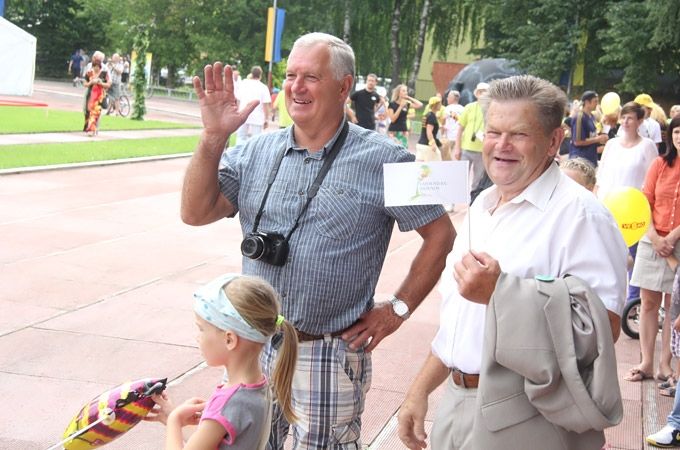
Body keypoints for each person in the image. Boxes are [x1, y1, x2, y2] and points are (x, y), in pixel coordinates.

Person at [181, 32, 455, 449]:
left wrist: (397, 309)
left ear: (344, 87)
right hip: (255, 349)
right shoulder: (255, 151)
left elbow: (441, 235)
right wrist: (213, 137)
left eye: (311, 76)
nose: (296, 86)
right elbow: (195, 213)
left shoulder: (387, 159)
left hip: (327, 354)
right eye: (291, 75)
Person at [397, 75, 628, 450]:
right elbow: (462, 325)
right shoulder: (482, 206)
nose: (501, 146)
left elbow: (604, 329)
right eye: (493, 132)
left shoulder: (581, 216)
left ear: (553, 140)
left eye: (518, 134)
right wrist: (419, 390)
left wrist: (501, 293)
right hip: (455, 401)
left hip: (530, 414)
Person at [145, 274, 298, 450]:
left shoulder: (228, 403)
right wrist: (173, 416)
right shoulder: (258, 388)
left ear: (229, 340)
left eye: (201, 329)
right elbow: (212, 443)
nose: (197, 337)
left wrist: (174, 422)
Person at [626, 116, 680, 384]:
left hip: (677, 242)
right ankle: (646, 362)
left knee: (673, 306)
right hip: (652, 239)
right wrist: (655, 237)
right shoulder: (659, 164)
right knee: (648, 303)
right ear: (671, 136)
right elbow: (644, 201)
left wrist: (672, 236)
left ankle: (665, 364)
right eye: (677, 132)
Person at [454, 82, 489, 193]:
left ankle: (472, 205)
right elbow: (460, 128)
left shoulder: (491, 109)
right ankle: (453, 203)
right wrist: (457, 148)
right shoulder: (469, 107)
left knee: (477, 181)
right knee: (459, 179)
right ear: (477, 93)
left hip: (482, 151)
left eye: (485, 92)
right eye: (480, 92)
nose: (482, 94)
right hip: (466, 149)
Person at [568, 90, 608, 166]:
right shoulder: (579, 117)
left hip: (591, 158)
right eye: (595, 101)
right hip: (580, 159)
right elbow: (577, 141)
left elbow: (591, 135)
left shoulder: (592, 117)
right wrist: (598, 139)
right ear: (587, 102)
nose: (597, 104)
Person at [235, 66, 271, 143]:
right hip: (257, 117)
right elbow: (265, 105)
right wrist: (266, 119)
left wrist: (237, 112)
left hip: (242, 114)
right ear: (260, 75)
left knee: (241, 137)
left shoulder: (243, 84)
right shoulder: (263, 87)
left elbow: (238, 100)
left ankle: (239, 154)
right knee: (256, 140)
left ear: (251, 74)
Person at [82, 51, 111, 137]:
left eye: (97, 59)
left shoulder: (105, 69)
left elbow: (109, 83)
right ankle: (88, 127)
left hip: (99, 94)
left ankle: (94, 129)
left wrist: (100, 83)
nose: (95, 60)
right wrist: (91, 82)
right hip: (89, 91)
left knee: (96, 111)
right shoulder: (89, 67)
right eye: (94, 58)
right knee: (86, 109)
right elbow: (85, 81)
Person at [415, 96, 443, 161]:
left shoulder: (427, 115)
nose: (441, 105)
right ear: (435, 105)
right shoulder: (432, 116)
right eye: (439, 103)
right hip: (427, 146)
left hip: (421, 144)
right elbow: (429, 131)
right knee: (436, 165)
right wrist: (433, 144)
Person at [441, 90, 464, 161]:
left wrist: (442, 132)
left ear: (452, 98)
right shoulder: (463, 108)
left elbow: (444, 119)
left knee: (445, 155)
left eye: (448, 97)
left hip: (450, 136)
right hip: (460, 137)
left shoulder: (448, 108)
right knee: (457, 156)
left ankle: (447, 169)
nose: (447, 99)